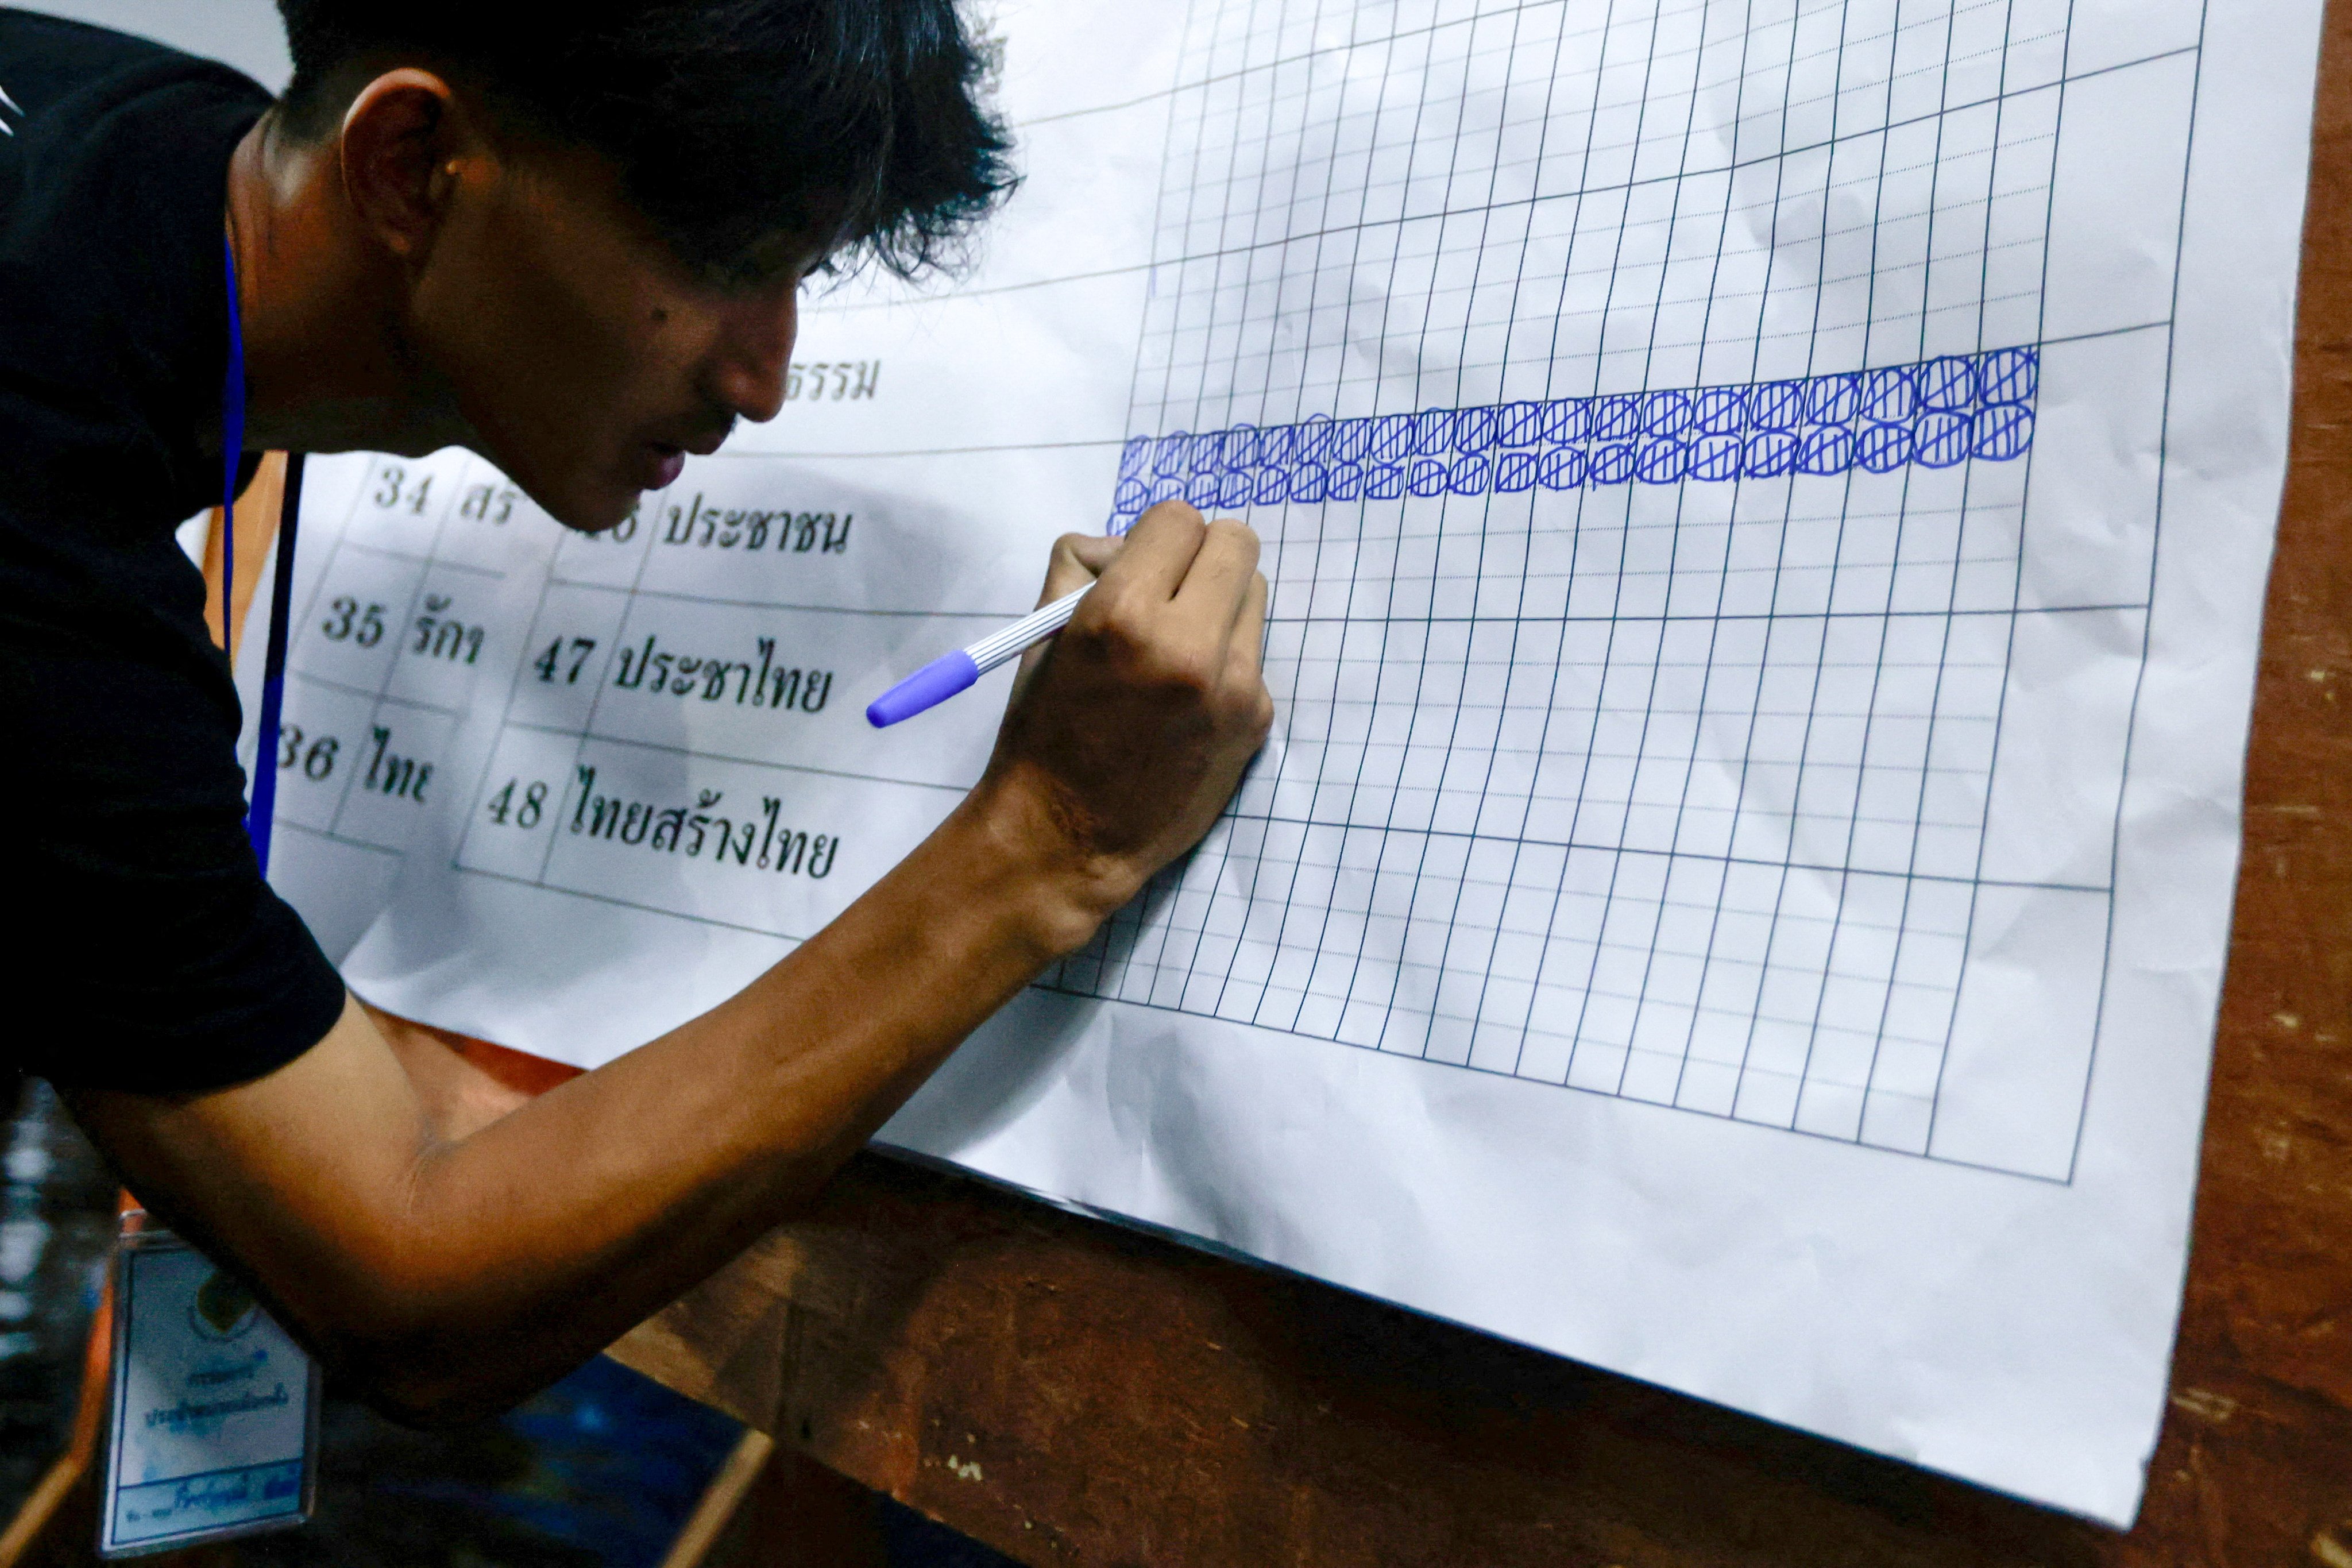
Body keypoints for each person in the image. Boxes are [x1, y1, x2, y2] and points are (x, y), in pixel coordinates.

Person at [0, 1, 1270, 1423]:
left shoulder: (129, 136)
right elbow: (405, 1284)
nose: (762, 381)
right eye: (724, 263)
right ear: (410, 163)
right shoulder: (34, 511)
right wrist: (1047, 843)